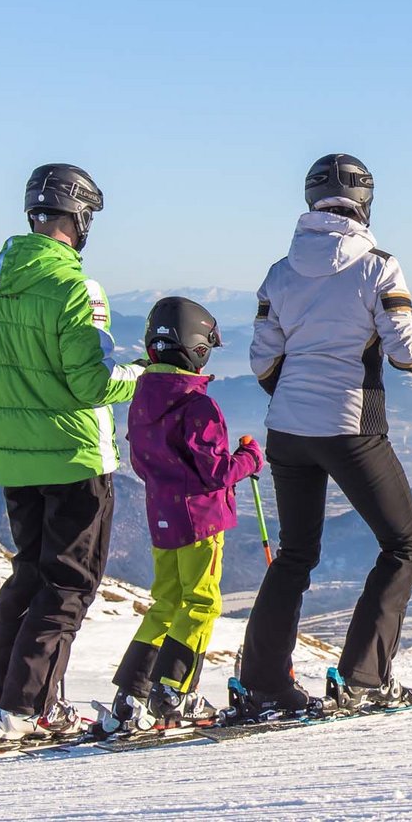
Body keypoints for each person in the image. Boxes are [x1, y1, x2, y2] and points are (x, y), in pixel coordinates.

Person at [240, 153, 412, 714]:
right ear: (365, 203)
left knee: (295, 555)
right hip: (350, 426)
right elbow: (404, 352)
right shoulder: (379, 266)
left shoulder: (279, 273)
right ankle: (364, 680)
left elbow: (261, 362)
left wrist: (295, 393)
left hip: (287, 432)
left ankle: (262, 683)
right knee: (405, 547)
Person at [0, 163, 142, 744]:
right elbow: (92, 383)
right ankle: (28, 709)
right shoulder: (75, 288)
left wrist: (23, 399)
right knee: (66, 587)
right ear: (80, 216)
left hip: (14, 461)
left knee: (26, 578)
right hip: (74, 460)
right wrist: (141, 375)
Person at [105, 297, 264, 733]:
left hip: (162, 517)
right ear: (198, 348)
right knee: (201, 602)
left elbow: (141, 463)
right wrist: (250, 457)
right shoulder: (198, 406)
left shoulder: (143, 401)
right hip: (201, 521)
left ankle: (130, 694)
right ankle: (175, 691)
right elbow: (216, 473)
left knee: (166, 602)